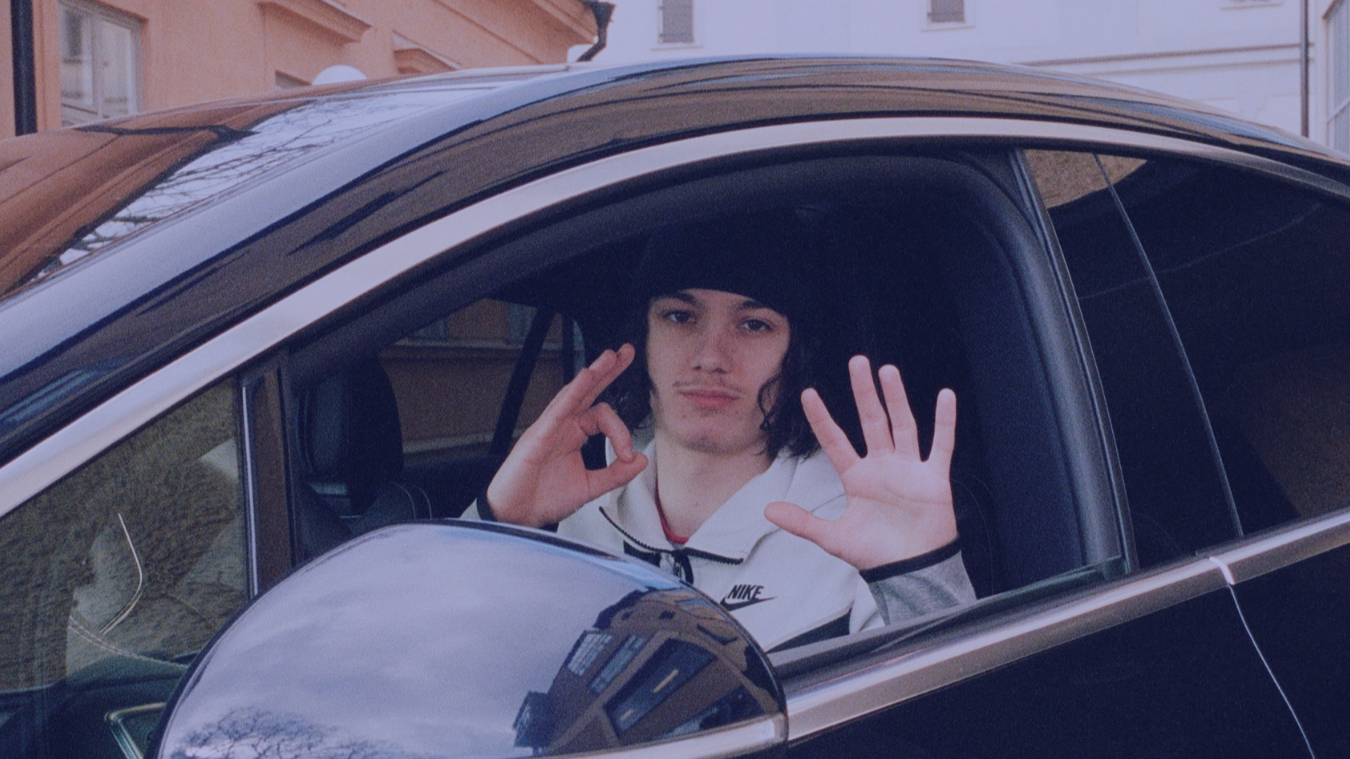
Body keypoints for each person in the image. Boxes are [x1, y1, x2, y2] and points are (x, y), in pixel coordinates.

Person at [473, 210, 975, 652]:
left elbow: (949, 721)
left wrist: (921, 581)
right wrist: (496, 519)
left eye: (753, 324)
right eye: (680, 316)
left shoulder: (855, 530)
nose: (711, 357)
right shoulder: (574, 515)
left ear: (797, 354)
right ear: (642, 341)